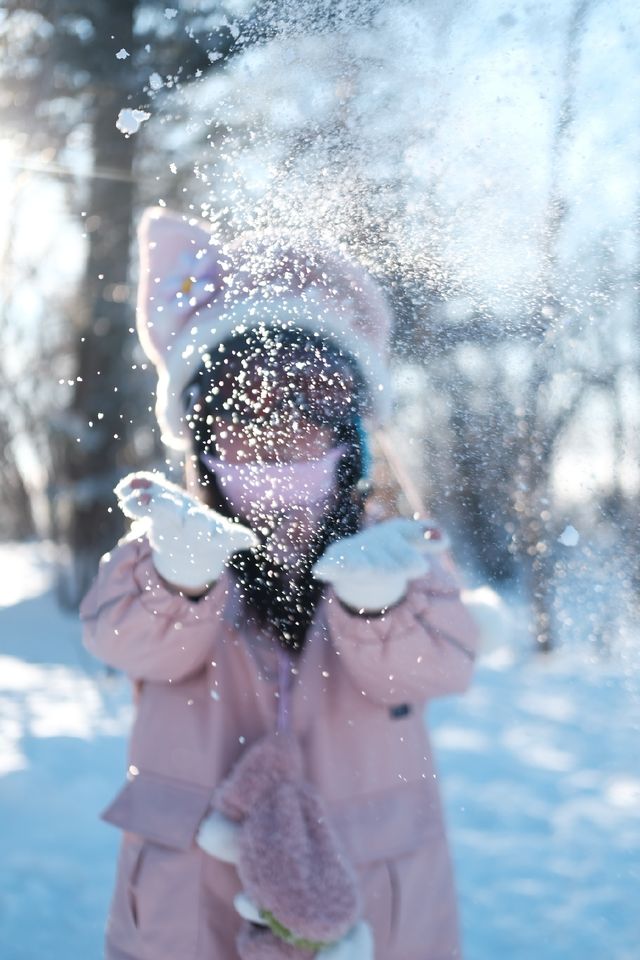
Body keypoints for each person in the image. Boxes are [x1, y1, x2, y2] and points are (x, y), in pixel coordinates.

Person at [80, 207, 479, 960]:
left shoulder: (395, 554)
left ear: (354, 434)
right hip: (190, 904)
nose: (272, 436)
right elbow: (121, 642)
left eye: (306, 409)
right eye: (242, 410)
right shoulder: (169, 543)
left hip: (377, 899)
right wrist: (179, 583)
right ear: (199, 436)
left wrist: (378, 607)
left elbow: (445, 664)